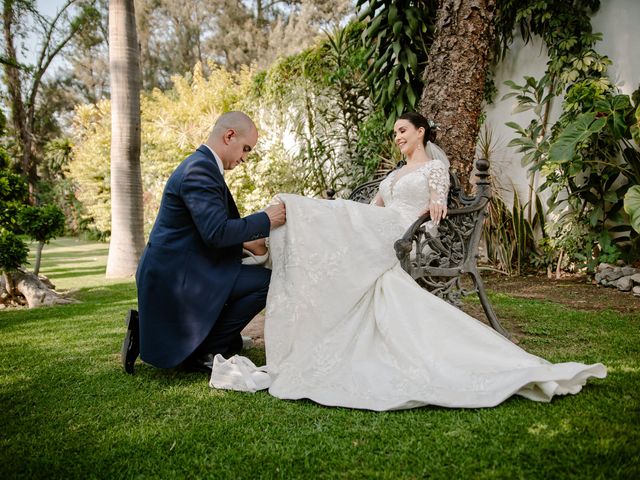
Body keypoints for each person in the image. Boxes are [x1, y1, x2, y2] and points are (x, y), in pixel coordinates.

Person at [213, 112, 606, 411]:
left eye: (404, 130)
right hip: (384, 228)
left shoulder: (435, 167)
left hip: (408, 233)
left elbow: (438, 201)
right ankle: (273, 233)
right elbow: (369, 209)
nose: (398, 136)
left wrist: (438, 200)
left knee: (305, 210)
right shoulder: (394, 175)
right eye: (396, 132)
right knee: (324, 212)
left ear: (421, 133)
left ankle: (264, 241)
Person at [121, 111, 286, 374]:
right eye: (245, 149)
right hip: (176, 277)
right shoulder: (200, 170)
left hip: (183, 268)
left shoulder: (202, 166)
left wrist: (246, 243)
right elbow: (216, 232)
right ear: (229, 135)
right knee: (264, 282)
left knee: (252, 279)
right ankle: (207, 351)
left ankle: (198, 339)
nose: (244, 157)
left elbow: (200, 230)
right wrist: (265, 220)